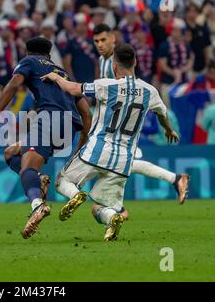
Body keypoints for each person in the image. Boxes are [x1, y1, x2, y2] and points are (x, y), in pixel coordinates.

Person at [41, 43, 180, 241]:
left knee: (62, 181)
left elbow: (73, 89)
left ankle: (76, 195)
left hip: (97, 151)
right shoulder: (150, 91)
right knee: (102, 207)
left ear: (115, 66)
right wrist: (169, 130)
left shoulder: (106, 85)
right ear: (136, 62)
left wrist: (55, 77)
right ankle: (112, 218)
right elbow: (162, 114)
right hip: (123, 161)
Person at [0, 37, 92, 239]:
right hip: (68, 128)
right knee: (11, 152)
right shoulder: (62, 72)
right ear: (48, 54)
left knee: (28, 167)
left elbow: (13, 84)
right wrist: (82, 141)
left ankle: (38, 206)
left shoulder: (29, 62)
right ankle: (39, 181)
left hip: (49, 119)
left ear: (27, 52)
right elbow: (86, 113)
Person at [93, 24, 190, 212]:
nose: (100, 44)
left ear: (113, 38)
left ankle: (117, 208)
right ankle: (174, 179)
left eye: (103, 40)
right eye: (96, 41)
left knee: (112, 164)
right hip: (109, 123)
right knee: (122, 165)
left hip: (120, 123)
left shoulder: (121, 58)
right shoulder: (102, 60)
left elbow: (127, 90)